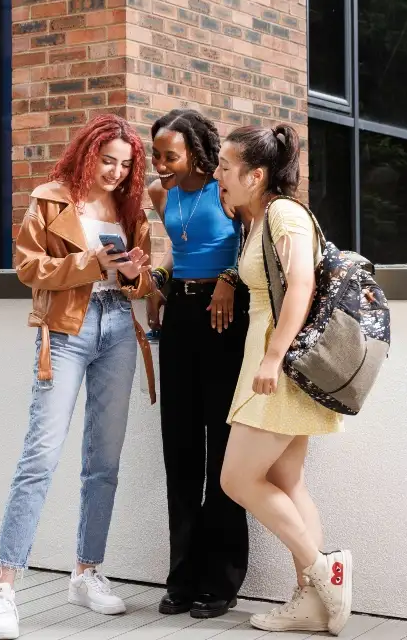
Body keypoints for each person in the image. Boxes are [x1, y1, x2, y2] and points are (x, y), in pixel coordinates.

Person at [0, 115, 158, 640]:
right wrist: (90, 262)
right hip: (65, 333)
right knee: (39, 457)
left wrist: (134, 275)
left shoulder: (131, 208)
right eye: (107, 160)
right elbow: (26, 267)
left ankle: (86, 572)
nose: (115, 172)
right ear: (87, 153)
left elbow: (145, 282)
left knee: (103, 462)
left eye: (125, 165)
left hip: (118, 333)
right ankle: (4, 587)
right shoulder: (52, 199)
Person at [214, 124, 353, 635]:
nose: (218, 176)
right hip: (272, 368)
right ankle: (311, 604)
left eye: (226, 168)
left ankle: (323, 572)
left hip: (278, 372)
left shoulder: (284, 213)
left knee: (236, 479)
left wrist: (272, 359)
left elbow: (302, 282)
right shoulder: (259, 220)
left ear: (256, 175)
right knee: (287, 480)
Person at [144, 109, 250, 619]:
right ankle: (182, 577)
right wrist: (161, 281)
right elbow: (175, 246)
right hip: (182, 319)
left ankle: (221, 581)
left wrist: (229, 275)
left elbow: (250, 245)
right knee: (180, 447)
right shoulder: (161, 194)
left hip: (224, 319)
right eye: (157, 155)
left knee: (222, 451)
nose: (161, 165)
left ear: (194, 152)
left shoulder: (224, 189)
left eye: (171, 155)